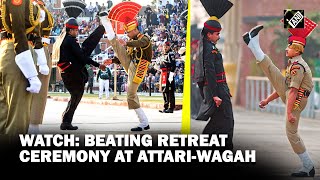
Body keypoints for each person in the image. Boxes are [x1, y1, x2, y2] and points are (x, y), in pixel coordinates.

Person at [242, 17, 317, 177]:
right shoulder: (293, 63)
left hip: (297, 102)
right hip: (293, 97)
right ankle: (253, 45)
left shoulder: (298, 66)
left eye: (289, 46)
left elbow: (293, 92)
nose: (286, 48)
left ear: (297, 49)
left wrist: (289, 112)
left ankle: (308, 166)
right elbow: (282, 87)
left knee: (291, 133)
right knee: (272, 72)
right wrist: (267, 100)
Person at [99, 2, 152, 131]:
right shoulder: (131, 42)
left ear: (134, 30)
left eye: (128, 32)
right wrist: (112, 60)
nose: (127, 34)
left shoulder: (144, 38)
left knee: (130, 94)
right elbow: (124, 55)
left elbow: (140, 43)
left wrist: (127, 42)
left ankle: (144, 122)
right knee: (116, 45)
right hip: (131, 64)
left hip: (139, 67)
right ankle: (106, 22)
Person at [195, 0, 234, 150]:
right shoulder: (209, 49)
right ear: (209, 34)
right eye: (217, 34)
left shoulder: (207, 46)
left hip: (218, 89)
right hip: (217, 89)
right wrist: (215, 94)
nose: (218, 36)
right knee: (227, 121)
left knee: (218, 122)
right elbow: (209, 72)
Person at [0, 0, 42, 135]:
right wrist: (31, 74)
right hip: (17, 52)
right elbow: (18, 29)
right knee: (17, 120)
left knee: (4, 117)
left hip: (7, 50)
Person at [57, 17, 105, 130]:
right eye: (75, 30)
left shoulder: (65, 39)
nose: (77, 32)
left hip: (69, 71)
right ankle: (66, 121)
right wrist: (98, 65)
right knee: (76, 96)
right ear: (70, 30)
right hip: (72, 72)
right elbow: (82, 57)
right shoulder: (70, 41)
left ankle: (66, 120)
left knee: (75, 97)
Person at [29, 0, 55, 134]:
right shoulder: (32, 6)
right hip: (34, 47)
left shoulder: (41, 5)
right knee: (32, 88)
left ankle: (33, 123)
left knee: (41, 89)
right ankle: (31, 123)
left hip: (42, 48)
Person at [159, 41, 176, 113]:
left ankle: (171, 107)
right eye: (164, 46)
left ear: (169, 47)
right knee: (164, 90)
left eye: (166, 46)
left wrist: (171, 76)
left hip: (169, 74)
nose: (165, 48)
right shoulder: (163, 54)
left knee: (170, 90)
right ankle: (165, 106)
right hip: (163, 74)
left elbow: (173, 65)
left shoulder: (170, 54)